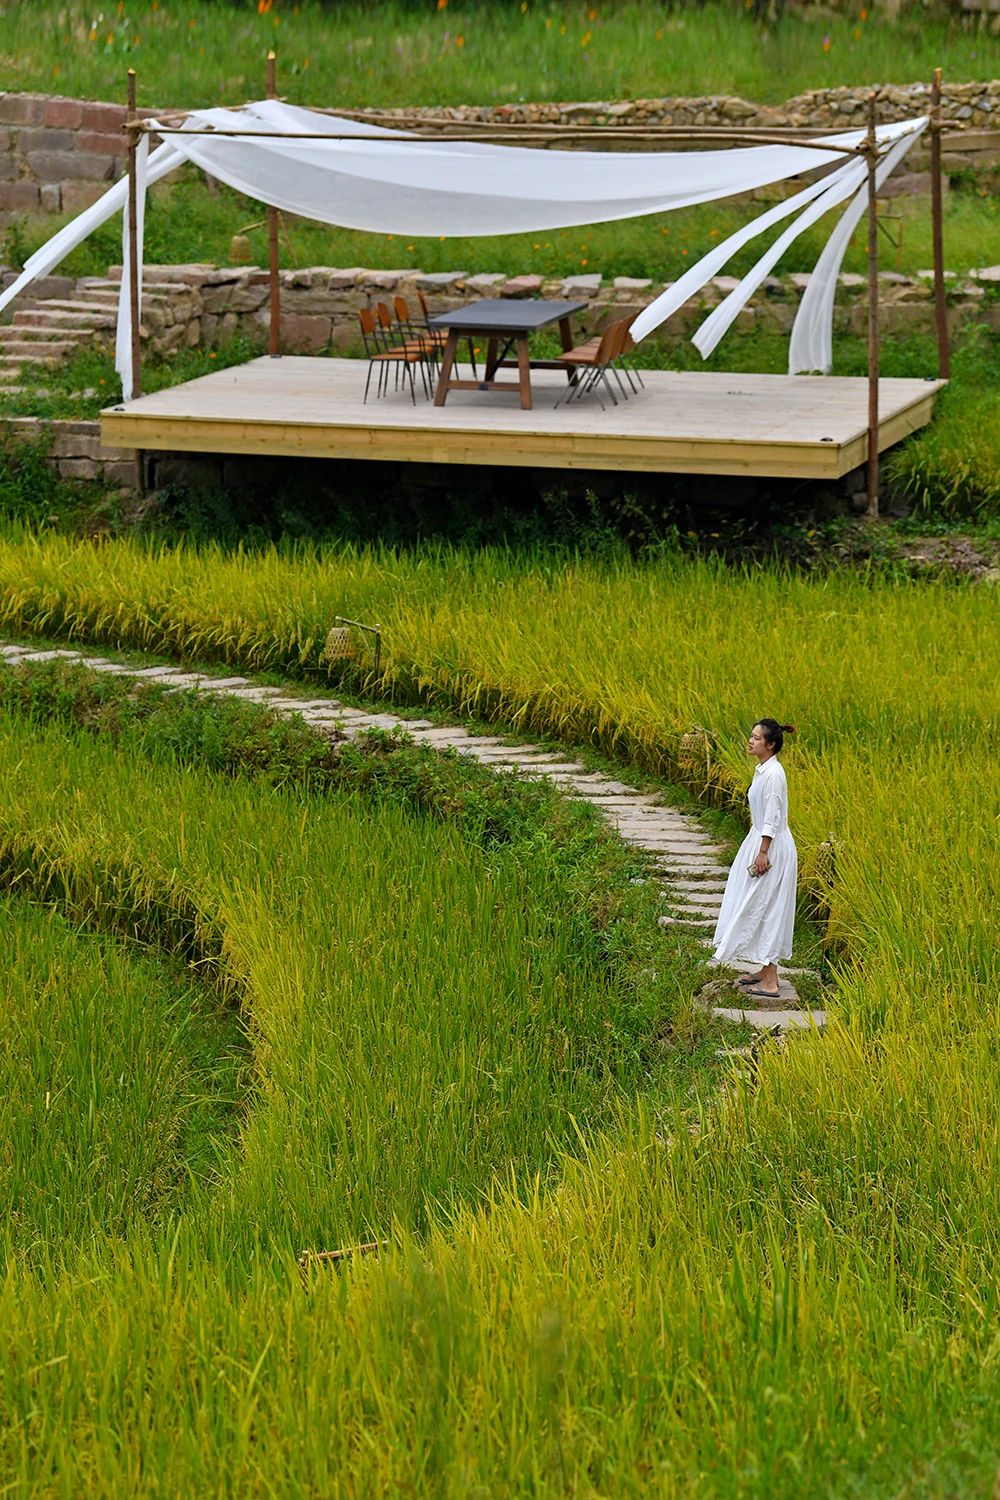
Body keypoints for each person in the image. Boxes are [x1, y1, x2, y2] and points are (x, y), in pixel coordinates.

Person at [712, 719, 797, 1001]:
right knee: (758, 903)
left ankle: (771, 982)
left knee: (767, 906)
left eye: (756, 738)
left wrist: (763, 852)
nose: (750, 741)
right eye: (751, 736)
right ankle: (764, 969)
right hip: (761, 840)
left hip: (770, 846)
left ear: (770, 745)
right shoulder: (763, 769)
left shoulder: (773, 775)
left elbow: (772, 817)